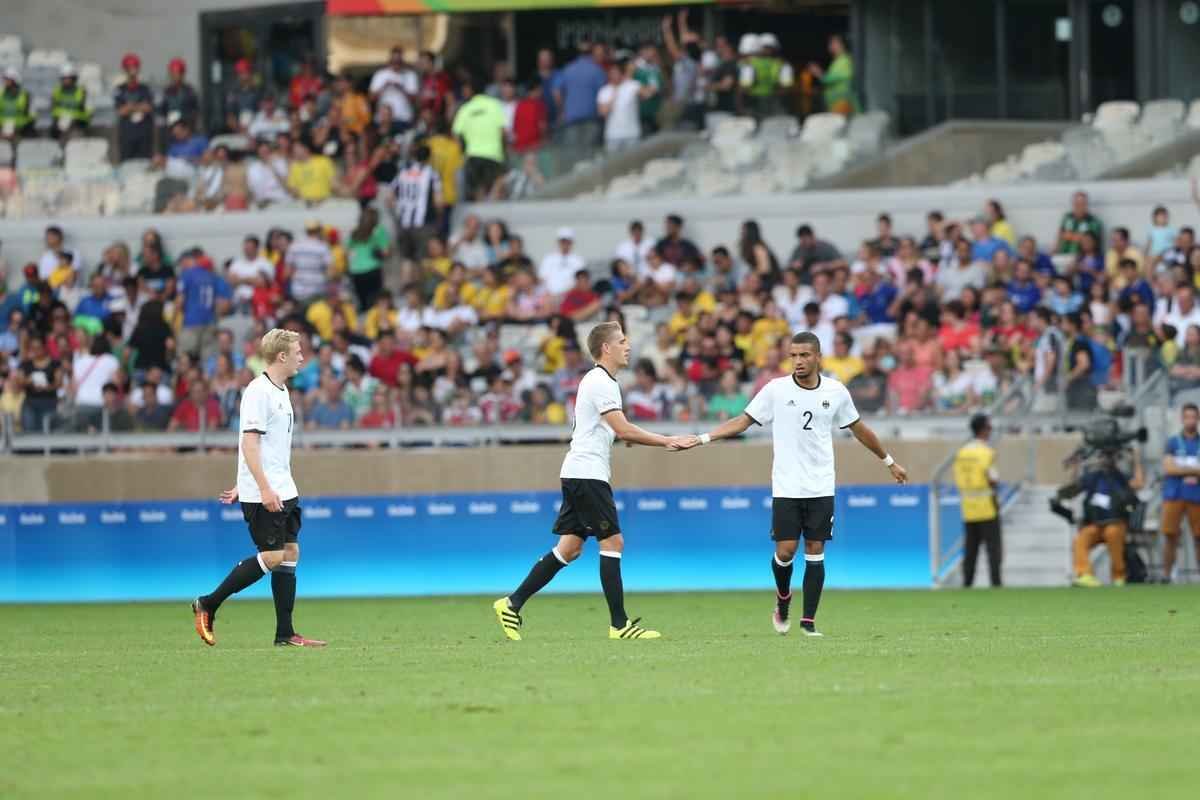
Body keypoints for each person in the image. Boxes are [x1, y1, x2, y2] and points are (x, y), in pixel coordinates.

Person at [685, 332, 908, 636]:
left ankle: (808, 622)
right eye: (793, 355)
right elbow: (744, 420)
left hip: (821, 485)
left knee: (815, 550)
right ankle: (783, 598)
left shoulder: (836, 391)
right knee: (787, 551)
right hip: (787, 486)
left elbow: (859, 428)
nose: (798, 361)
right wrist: (703, 438)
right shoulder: (775, 390)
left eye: (804, 355)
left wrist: (889, 461)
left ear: (818, 357)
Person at [492, 321, 692, 641]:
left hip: (579, 472)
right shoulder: (601, 382)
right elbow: (623, 428)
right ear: (606, 348)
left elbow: (613, 427)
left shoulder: (602, 381)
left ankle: (511, 604)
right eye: (622, 341)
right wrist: (666, 440)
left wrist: (620, 435)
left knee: (569, 549)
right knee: (613, 543)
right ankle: (620, 625)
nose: (628, 346)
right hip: (587, 475)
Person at [192, 329, 326, 648]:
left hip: (284, 486)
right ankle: (208, 603)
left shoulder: (281, 391)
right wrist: (259, 488)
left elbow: (266, 446)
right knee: (272, 554)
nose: (302, 357)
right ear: (282, 356)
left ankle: (285, 634)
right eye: (297, 351)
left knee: (291, 552)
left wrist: (244, 481)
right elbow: (248, 442)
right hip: (267, 490)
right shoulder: (257, 392)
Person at [1057, 447, 1144, 587]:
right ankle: (1085, 574)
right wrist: (1075, 467)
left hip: (1115, 522)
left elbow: (1138, 484)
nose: (1106, 459)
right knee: (1080, 540)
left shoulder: (1119, 477)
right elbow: (1071, 490)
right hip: (1095, 524)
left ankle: (1119, 576)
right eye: (1103, 456)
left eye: (1109, 456)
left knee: (1113, 534)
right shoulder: (1093, 477)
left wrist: (1136, 461)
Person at [953, 414, 1002, 587]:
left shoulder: (962, 452)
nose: (991, 431)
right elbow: (992, 478)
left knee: (970, 550)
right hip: (987, 506)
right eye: (989, 427)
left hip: (968, 507)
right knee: (993, 549)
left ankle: (967, 584)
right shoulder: (986, 452)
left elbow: (958, 478)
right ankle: (996, 584)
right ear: (983, 429)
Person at [1160, 403, 1200, 583]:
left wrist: (1181, 467)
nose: (1190, 421)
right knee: (1170, 535)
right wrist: (1194, 470)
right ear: (1182, 419)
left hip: (1196, 495)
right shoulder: (1173, 442)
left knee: (1199, 537)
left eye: (1194, 417)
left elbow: (1175, 468)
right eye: (1187, 417)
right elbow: (1169, 468)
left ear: (1198, 419)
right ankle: (1167, 574)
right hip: (1174, 494)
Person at [452, 76, 507, 201]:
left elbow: (455, 134)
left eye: (465, 89)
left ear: (471, 89)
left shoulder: (465, 109)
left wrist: (462, 152)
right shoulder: (495, 104)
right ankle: (495, 212)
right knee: (496, 187)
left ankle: (482, 215)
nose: (463, 92)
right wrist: (504, 150)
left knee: (478, 190)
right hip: (494, 154)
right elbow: (503, 131)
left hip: (472, 155)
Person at [388, 142, 443, 265]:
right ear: (429, 157)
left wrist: (399, 212)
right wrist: (439, 218)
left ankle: (406, 284)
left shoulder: (403, 172)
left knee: (406, 260)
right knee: (423, 260)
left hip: (403, 222)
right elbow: (438, 202)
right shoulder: (432, 174)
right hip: (423, 224)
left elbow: (390, 197)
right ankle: (418, 284)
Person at [114, 53, 154, 161]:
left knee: (144, 161)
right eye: (129, 68)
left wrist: (130, 106)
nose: (132, 71)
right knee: (126, 162)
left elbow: (148, 108)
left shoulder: (145, 89)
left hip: (143, 133)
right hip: (127, 133)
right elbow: (121, 111)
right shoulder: (120, 89)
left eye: (134, 68)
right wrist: (138, 106)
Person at [807, 34, 858, 116]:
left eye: (833, 43)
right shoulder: (837, 61)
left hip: (842, 104)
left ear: (842, 45)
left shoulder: (844, 60)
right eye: (830, 43)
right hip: (836, 105)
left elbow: (829, 79)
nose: (830, 45)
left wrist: (818, 72)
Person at [50, 63, 90, 140]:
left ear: (74, 78)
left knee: (76, 142)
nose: (66, 80)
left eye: (69, 78)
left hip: (77, 124)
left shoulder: (82, 91)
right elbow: (53, 108)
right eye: (64, 78)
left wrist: (78, 119)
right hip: (60, 125)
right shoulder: (56, 91)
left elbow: (88, 111)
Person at [0, 68, 34, 140]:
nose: (5, 82)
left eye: (8, 80)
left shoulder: (25, 95)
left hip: (19, 129)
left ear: (15, 81)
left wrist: (18, 127)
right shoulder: (1, 94)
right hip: (2, 127)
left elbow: (30, 116)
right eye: (5, 79)